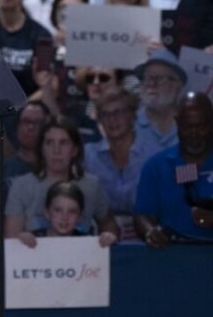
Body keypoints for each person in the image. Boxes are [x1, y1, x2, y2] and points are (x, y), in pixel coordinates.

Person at [4, 116, 118, 240]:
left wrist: (109, 238)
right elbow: (12, 239)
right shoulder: (21, 187)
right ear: (42, 149)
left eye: (63, 143)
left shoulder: (92, 185)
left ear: (74, 150)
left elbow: (109, 224)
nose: (56, 150)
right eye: (49, 143)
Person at [134, 92, 213, 246]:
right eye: (187, 127)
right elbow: (142, 215)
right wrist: (150, 231)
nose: (194, 134)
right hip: (172, 257)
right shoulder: (156, 166)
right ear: (177, 123)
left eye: (201, 127)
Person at [83, 92, 160, 224]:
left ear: (132, 116)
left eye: (119, 113)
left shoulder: (155, 155)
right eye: (105, 115)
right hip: (100, 236)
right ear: (99, 120)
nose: (112, 120)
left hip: (149, 235)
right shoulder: (88, 155)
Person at [16, 181, 119, 248]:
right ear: (47, 213)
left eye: (72, 211)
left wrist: (109, 240)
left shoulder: (89, 242)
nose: (64, 217)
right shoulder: (34, 238)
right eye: (58, 210)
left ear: (80, 216)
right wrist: (20, 242)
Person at [135, 49, 188, 149]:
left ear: (177, 85)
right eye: (147, 78)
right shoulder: (128, 125)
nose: (151, 84)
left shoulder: (194, 126)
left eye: (159, 78)